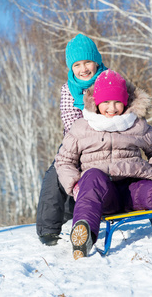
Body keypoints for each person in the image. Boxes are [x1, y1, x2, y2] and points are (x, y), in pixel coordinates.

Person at [55, 70, 152, 260]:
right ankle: (83, 235)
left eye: (117, 102)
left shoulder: (136, 124)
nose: (111, 108)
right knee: (92, 177)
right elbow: (64, 161)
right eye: (105, 102)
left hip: (135, 187)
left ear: (125, 102)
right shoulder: (82, 127)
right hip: (103, 193)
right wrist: (76, 185)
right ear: (96, 103)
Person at [36, 34, 108, 246]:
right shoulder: (68, 89)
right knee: (57, 173)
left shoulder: (109, 79)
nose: (83, 69)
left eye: (87, 62)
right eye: (77, 64)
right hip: (76, 139)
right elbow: (70, 119)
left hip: (109, 135)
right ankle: (49, 228)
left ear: (96, 61)